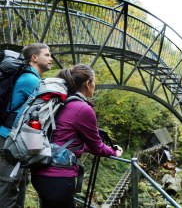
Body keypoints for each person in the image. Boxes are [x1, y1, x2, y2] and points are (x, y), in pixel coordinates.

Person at [31, 64, 123, 208]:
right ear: (88, 83)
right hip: (58, 177)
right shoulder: (82, 109)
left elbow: (64, 139)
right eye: (94, 82)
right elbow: (97, 147)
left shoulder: (61, 101)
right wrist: (114, 152)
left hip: (40, 172)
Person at [0, 43, 53, 208]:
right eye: (47, 55)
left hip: (15, 139)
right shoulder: (31, 80)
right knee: (8, 186)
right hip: (8, 139)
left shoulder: (30, 78)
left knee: (18, 183)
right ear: (34, 58)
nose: (51, 58)